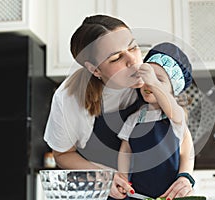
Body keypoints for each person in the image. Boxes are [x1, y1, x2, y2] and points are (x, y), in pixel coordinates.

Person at [43, 14, 194, 199]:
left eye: (133, 47)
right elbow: (62, 154)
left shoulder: (150, 81)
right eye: (116, 58)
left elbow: (182, 133)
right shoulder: (69, 98)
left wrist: (185, 176)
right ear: (95, 69)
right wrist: (103, 177)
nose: (133, 61)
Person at [116, 43, 195, 199]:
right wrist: (123, 177)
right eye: (146, 78)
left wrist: (185, 176)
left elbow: (187, 149)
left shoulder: (175, 117)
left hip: (171, 194)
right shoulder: (134, 118)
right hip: (138, 194)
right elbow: (125, 150)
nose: (149, 84)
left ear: (174, 90)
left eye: (159, 80)